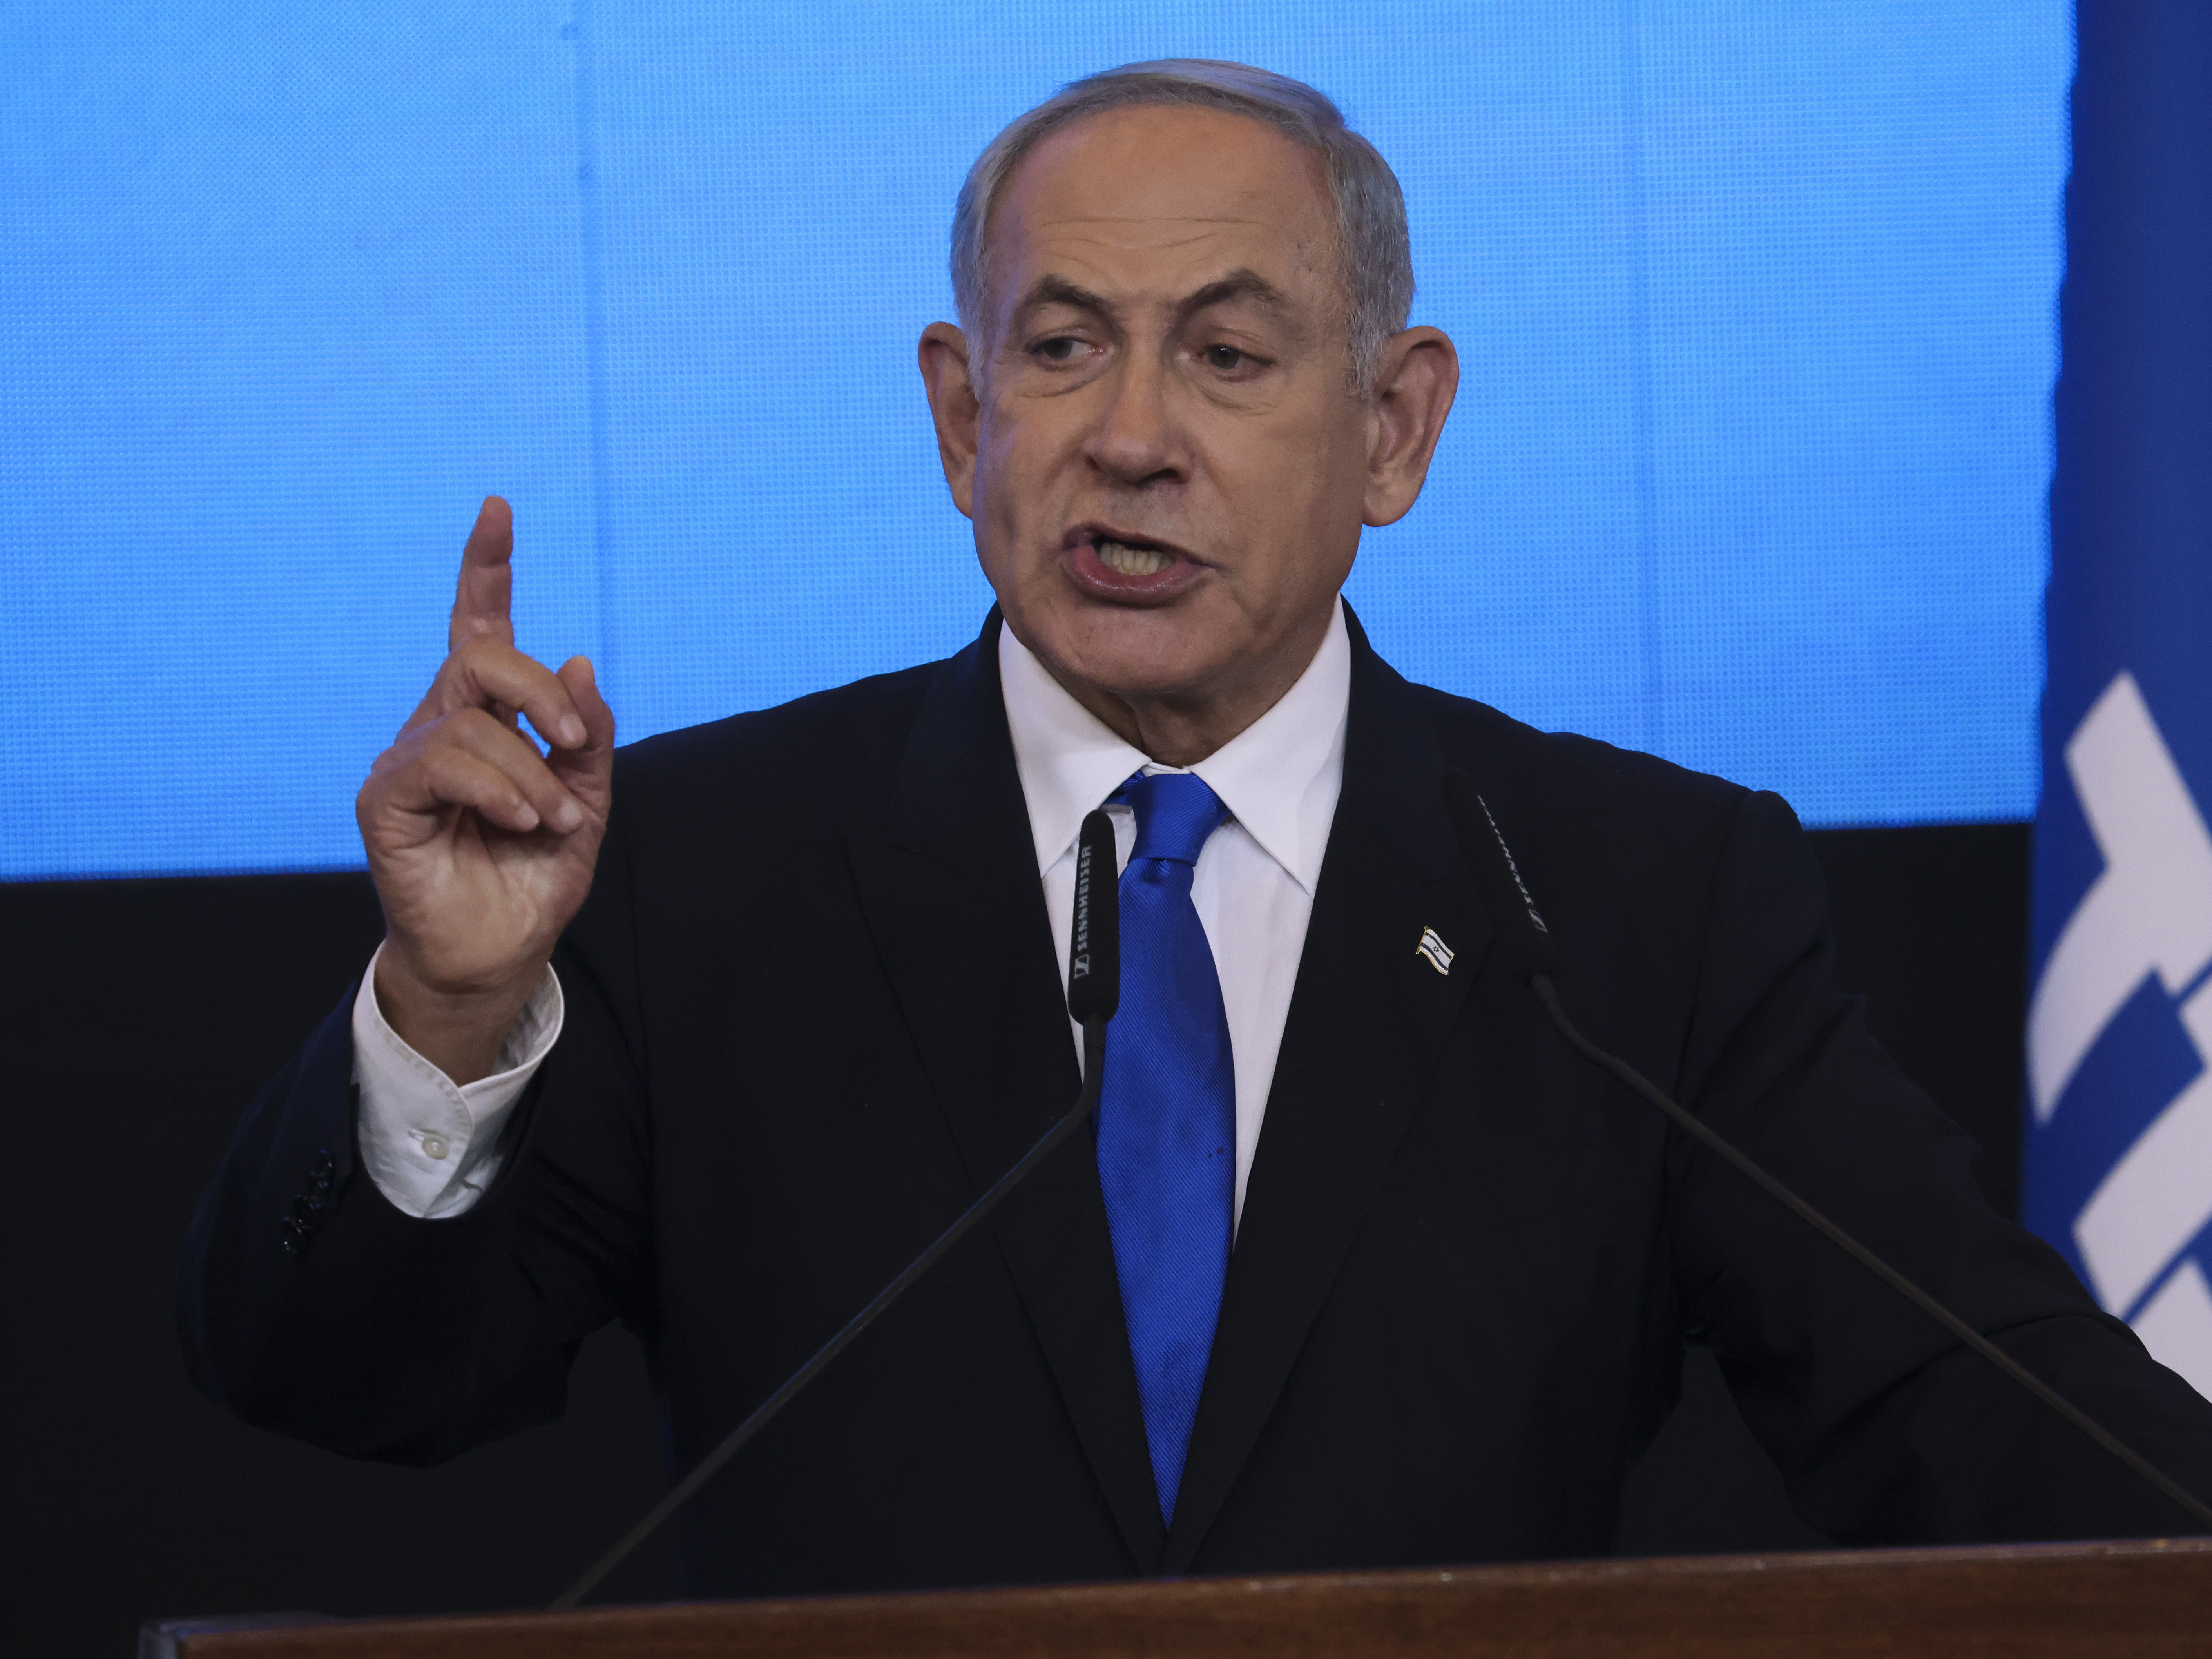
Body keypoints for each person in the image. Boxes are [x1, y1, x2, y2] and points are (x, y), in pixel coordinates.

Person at [181, 60, 2212, 1597]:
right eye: (1062, 348)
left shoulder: (1635, 901)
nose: (1130, 436)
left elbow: (1975, 1408)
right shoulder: (697, 870)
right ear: (962, 418)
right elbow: (338, 1384)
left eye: (1227, 357)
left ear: (1393, 428)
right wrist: (447, 1021)